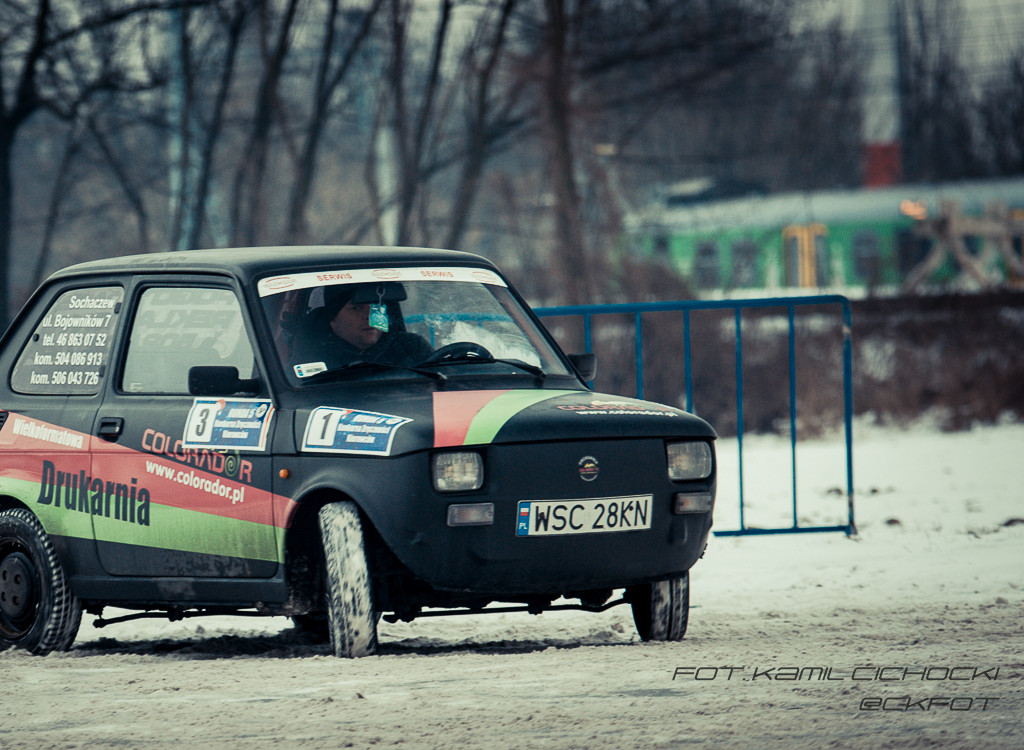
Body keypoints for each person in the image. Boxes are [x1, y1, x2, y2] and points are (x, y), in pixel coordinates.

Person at [295, 283, 433, 370]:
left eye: (376, 308)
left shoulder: (412, 347)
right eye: (356, 308)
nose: (369, 316)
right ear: (332, 319)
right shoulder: (311, 355)